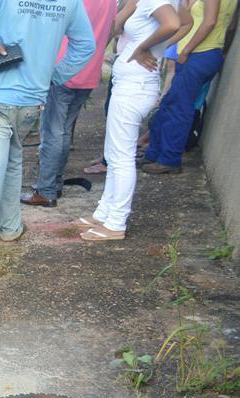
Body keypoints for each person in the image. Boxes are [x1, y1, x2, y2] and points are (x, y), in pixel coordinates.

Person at [0, 0, 96, 260]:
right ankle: (11, 227)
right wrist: (55, 76)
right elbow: (86, 45)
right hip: (32, 99)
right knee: (13, 160)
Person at [78, 0, 186, 241]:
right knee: (114, 153)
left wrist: (143, 48)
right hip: (129, 85)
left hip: (134, 87)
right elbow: (115, 27)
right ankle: (104, 212)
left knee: (121, 157)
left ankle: (116, 222)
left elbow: (174, 23)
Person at [20, 0, 119, 208]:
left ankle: (46, 190)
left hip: (63, 69)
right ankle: (54, 183)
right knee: (63, 131)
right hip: (89, 71)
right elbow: (111, 29)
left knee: (52, 132)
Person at [143, 0, 237, 174]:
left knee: (178, 108)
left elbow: (210, 21)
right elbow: (229, 26)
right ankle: (154, 153)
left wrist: (186, 50)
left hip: (199, 53)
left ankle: (169, 159)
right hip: (204, 53)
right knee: (168, 105)